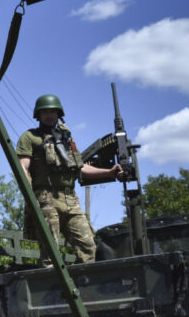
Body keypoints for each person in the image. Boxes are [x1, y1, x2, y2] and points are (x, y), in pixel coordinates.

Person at [17, 94, 123, 264]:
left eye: (53, 111)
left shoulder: (67, 139)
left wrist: (109, 172)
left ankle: (88, 285)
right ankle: (50, 287)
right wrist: (29, 198)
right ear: (38, 114)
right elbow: (22, 168)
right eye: (45, 112)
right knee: (50, 252)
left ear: (59, 114)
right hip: (45, 198)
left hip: (71, 199)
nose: (49, 115)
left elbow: (79, 168)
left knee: (89, 246)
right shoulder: (30, 137)